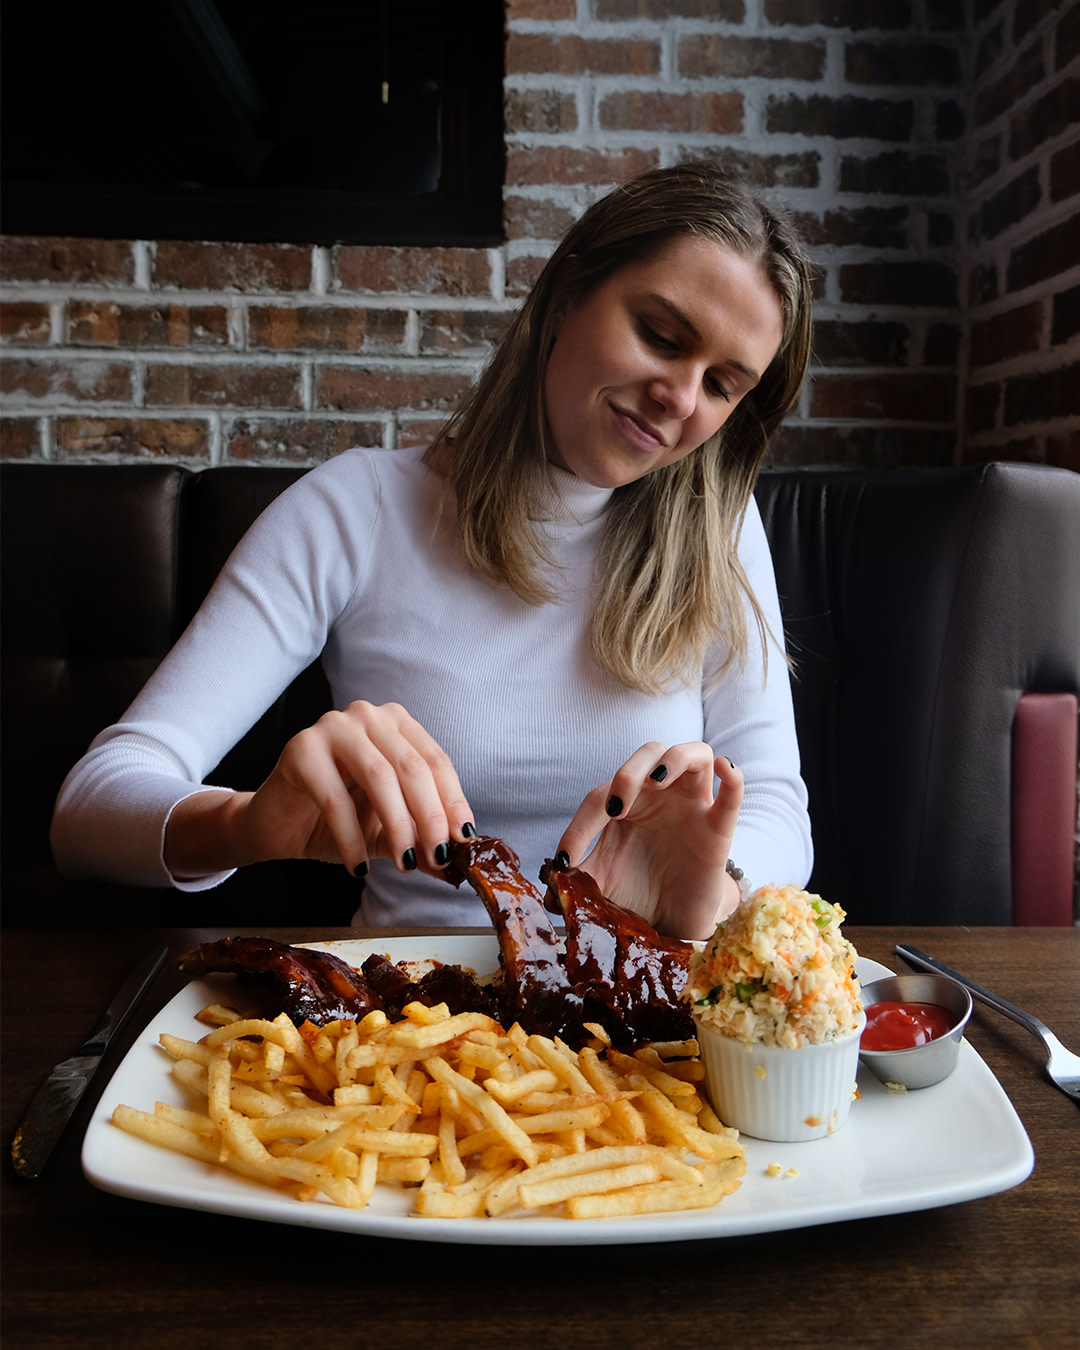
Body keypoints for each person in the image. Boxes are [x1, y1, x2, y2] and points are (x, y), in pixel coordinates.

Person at [50, 161, 816, 940]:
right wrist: (246, 827)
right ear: (566, 295)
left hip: (630, 999)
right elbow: (88, 809)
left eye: (722, 385)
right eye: (660, 336)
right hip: (412, 1000)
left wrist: (712, 893)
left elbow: (778, 807)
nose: (680, 399)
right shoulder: (358, 510)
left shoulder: (721, 529)